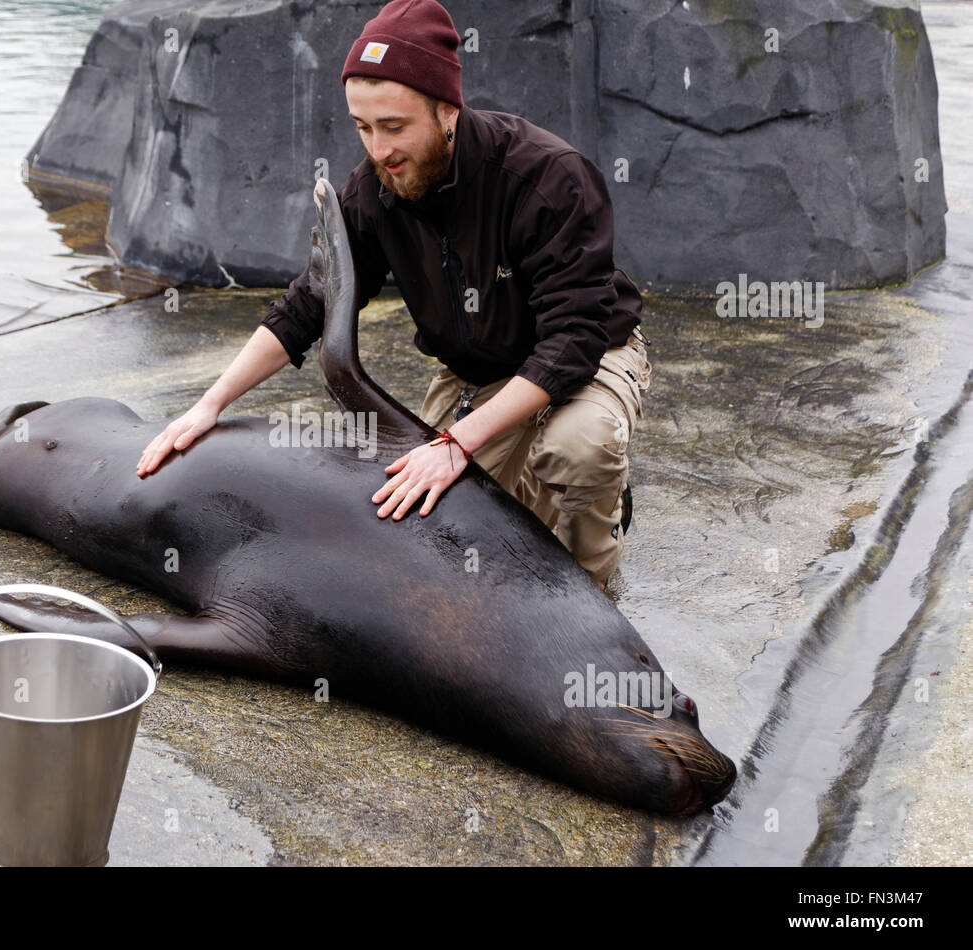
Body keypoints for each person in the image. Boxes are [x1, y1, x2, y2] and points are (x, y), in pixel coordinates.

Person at [137, 0, 651, 590]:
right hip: (477, 372)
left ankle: (592, 591)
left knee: (576, 451)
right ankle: (545, 494)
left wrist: (458, 443)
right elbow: (309, 304)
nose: (379, 149)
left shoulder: (548, 177)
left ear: (446, 108)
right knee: (418, 515)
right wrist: (211, 404)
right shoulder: (373, 189)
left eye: (395, 126)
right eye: (363, 127)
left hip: (589, 357)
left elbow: (573, 340)